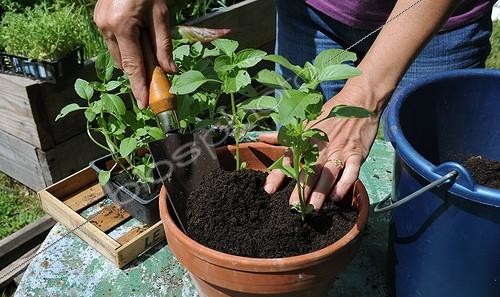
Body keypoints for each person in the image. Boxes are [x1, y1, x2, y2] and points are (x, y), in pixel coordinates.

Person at [94, 0, 495, 210]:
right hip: (312, 12)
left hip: (436, 22)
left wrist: (368, 92)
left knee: (428, 196)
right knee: (304, 153)